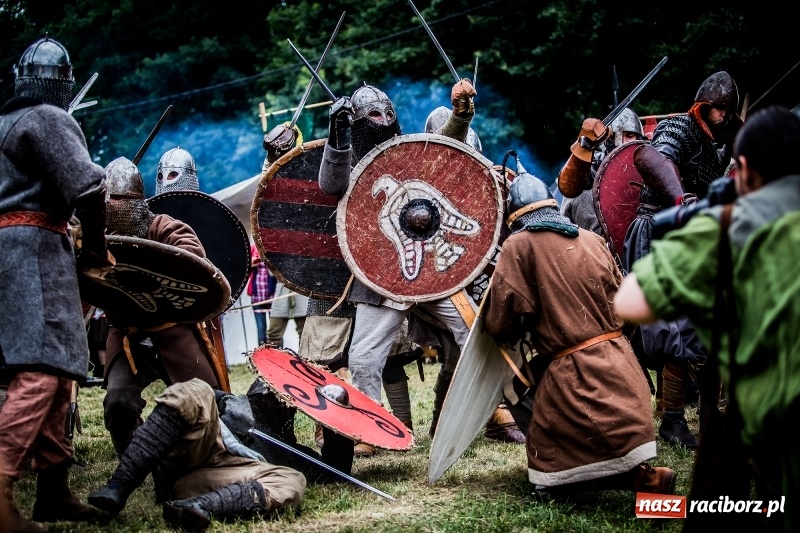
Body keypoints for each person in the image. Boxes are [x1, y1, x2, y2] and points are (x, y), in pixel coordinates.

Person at [614, 105, 800, 532]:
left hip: (759, 398)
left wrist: (707, 224)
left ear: (746, 169)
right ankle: (674, 424)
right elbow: (649, 157)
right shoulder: (678, 131)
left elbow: (631, 301)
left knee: (723, 489)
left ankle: (663, 500)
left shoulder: (731, 222)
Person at [483, 160, 675, 497]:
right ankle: (647, 481)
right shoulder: (591, 239)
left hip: (577, 374)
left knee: (548, 469)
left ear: (516, 217)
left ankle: (636, 480)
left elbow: (501, 321)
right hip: (624, 368)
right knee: (606, 445)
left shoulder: (519, 245)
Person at [0, 36, 112, 531]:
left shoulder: (3, 123)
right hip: (35, 252)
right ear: (64, 83)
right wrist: (94, 248)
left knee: (61, 371)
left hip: (13, 253)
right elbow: (88, 187)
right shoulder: (47, 117)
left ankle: (53, 491)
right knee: (43, 368)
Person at [621, 71, 743, 448]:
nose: (723, 116)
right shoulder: (680, 127)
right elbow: (649, 156)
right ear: (704, 107)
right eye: (719, 110)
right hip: (657, 232)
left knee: (690, 328)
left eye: (727, 111)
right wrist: (680, 199)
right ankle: (666, 417)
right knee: (666, 328)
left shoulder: (717, 146)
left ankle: (675, 414)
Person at [101, 156, 223, 457]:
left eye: (117, 199)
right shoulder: (97, 238)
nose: (110, 205)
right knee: (118, 401)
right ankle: (132, 459)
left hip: (173, 331)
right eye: (106, 199)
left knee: (209, 402)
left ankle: (209, 452)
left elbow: (195, 263)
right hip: (129, 336)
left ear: (134, 202)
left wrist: (157, 263)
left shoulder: (164, 227)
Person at [88, 378, 307, 532]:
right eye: (275, 397)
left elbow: (331, 463)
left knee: (293, 480)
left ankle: (198, 506)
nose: (281, 405)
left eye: (287, 404)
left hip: (221, 472)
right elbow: (204, 399)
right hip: (197, 444)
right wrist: (228, 407)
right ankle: (120, 484)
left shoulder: (291, 448)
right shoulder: (237, 405)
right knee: (197, 389)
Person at [558, 107, 646, 235]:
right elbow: (573, 185)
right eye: (615, 137)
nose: (622, 142)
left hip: (638, 241)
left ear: (639, 137)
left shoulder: (647, 168)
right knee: (583, 196)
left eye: (630, 135)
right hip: (594, 245)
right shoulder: (594, 168)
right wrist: (584, 147)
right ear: (607, 140)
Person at [248, 243, 276, 346]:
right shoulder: (253, 248)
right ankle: (262, 355)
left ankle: (278, 354)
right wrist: (256, 260)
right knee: (261, 328)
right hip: (257, 297)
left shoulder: (272, 247)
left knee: (274, 329)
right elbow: (247, 265)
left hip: (272, 297)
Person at [267, 280, 308, 349]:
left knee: (305, 334)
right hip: (282, 292)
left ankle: (304, 359)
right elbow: (272, 272)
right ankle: (273, 359)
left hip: (302, 293)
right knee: (273, 335)